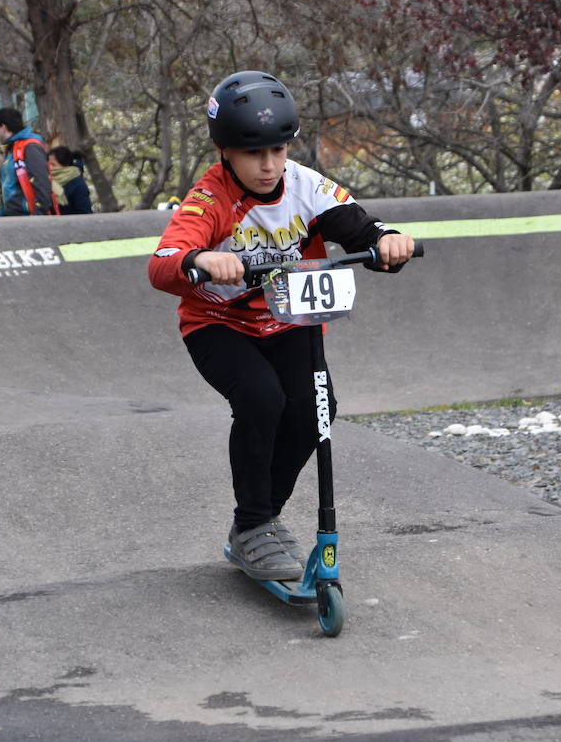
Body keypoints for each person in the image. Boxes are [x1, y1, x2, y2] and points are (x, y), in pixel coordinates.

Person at [148, 70, 415, 581]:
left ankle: (258, 522)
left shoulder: (306, 185)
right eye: (253, 154)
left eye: (278, 150)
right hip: (218, 322)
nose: (269, 165)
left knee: (318, 410)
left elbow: (360, 228)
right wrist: (201, 259)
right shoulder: (211, 199)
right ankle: (254, 524)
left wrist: (389, 243)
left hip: (289, 319)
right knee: (261, 399)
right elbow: (163, 263)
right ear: (225, 151)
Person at [0, 107, 54, 216]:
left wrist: (38, 216)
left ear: (3, 127)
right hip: (13, 219)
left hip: (28, 219)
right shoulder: (11, 148)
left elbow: (42, 182)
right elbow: (8, 189)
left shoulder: (30, 146)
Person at [47, 145, 93, 214]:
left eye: (53, 164)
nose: (50, 167)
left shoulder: (78, 185)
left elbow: (84, 213)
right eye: (48, 164)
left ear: (65, 165)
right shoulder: (47, 182)